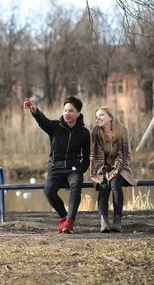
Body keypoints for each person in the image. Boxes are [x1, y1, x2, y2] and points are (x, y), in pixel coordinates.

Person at [23, 95, 90, 234]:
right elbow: (43, 122)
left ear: (78, 113)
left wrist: (80, 170)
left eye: (71, 111)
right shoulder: (55, 127)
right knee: (49, 190)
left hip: (73, 169)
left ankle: (70, 222)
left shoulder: (84, 133)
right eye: (65, 110)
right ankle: (63, 217)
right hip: (56, 167)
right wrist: (35, 111)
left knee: (76, 184)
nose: (67, 113)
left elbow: (87, 156)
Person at [90, 106, 138, 233]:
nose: (98, 118)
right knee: (104, 185)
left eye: (101, 115)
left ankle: (117, 221)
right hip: (101, 169)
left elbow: (126, 156)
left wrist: (115, 170)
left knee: (115, 184)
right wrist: (103, 171)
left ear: (110, 117)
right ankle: (104, 221)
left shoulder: (123, 131)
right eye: (96, 117)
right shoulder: (95, 133)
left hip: (120, 168)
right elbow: (94, 157)